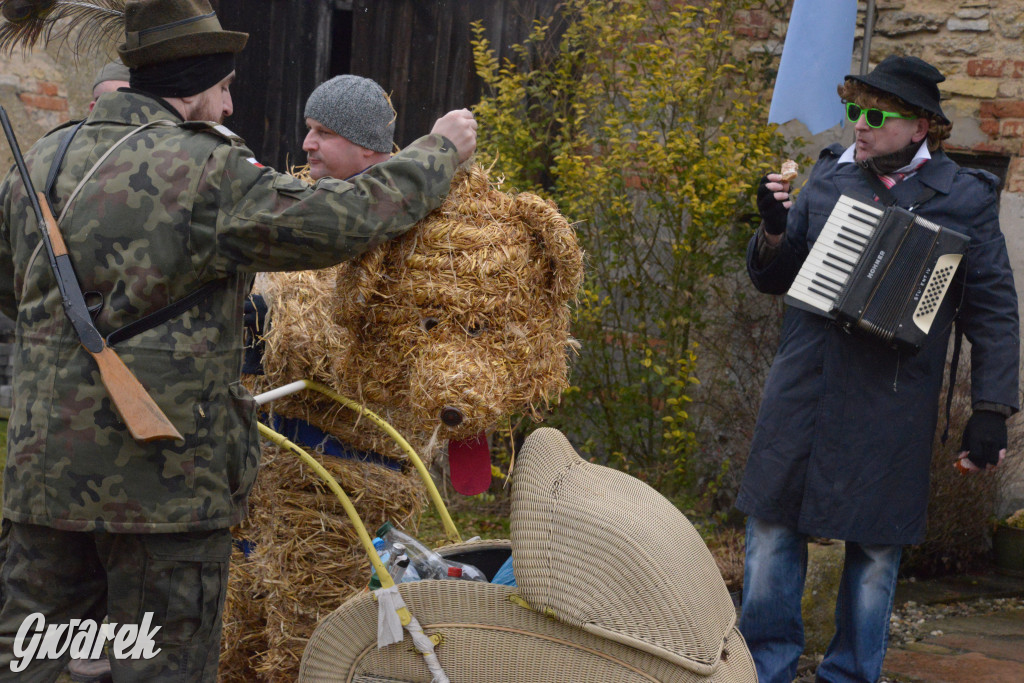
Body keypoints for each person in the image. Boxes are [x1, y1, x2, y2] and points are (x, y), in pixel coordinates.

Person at [0, 1, 476, 681]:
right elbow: (338, 219)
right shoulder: (207, 168)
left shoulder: (46, 156)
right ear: (192, 86)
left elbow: (9, 281)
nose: (226, 108)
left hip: (43, 480)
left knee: (38, 663)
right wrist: (439, 151)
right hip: (163, 487)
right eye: (223, 89)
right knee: (156, 664)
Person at [736, 55, 1019, 683]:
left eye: (874, 115)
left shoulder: (964, 200)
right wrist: (776, 231)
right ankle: (762, 672)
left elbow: (994, 308)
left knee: (873, 555)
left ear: (920, 127)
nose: (858, 126)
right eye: (853, 111)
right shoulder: (831, 179)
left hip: (891, 401)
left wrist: (992, 410)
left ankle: (851, 676)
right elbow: (776, 279)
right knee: (772, 535)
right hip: (805, 388)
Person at [302, 74, 395, 181]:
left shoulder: (395, 197)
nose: (307, 145)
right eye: (309, 128)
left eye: (324, 132)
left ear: (367, 145)